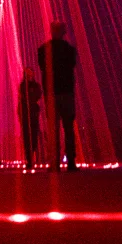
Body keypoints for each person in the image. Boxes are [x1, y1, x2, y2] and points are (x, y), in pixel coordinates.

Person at [37, 21, 77, 171]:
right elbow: (72, 66)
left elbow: (43, 67)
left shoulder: (43, 50)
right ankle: (71, 162)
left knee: (53, 130)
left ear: (51, 31)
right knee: (68, 128)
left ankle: (54, 163)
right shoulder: (70, 50)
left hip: (52, 93)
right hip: (67, 92)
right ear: (64, 32)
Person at [17, 67, 42, 169]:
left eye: (30, 72)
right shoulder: (23, 85)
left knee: (34, 135)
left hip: (33, 112)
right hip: (25, 113)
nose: (28, 74)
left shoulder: (36, 86)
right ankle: (29, 159)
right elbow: (22, 98)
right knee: (27, 136)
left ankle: (32, 156)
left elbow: (38, 95)